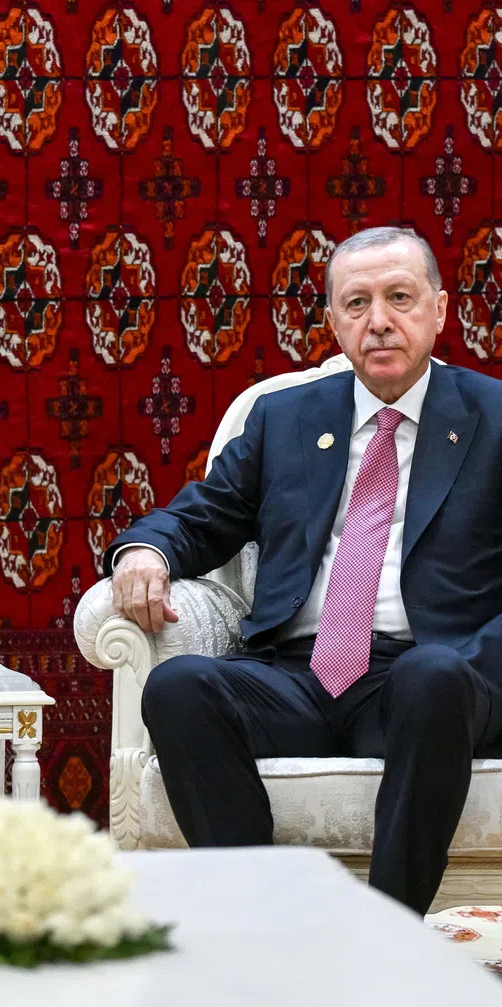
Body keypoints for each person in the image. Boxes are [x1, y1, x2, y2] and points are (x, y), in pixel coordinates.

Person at [106, 226, 502, 918]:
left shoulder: (493, 417)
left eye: (400, 298)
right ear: (333, 322)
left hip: (432, 684)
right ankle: (268, 923)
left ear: (440, 310)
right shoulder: (284, 418)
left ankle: (387, 929)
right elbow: (202, 515)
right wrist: (147, 552)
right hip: (299, 677)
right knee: (178, 686)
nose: (378, 321)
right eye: (356, 303)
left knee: (430, 677)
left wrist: (473, 663)